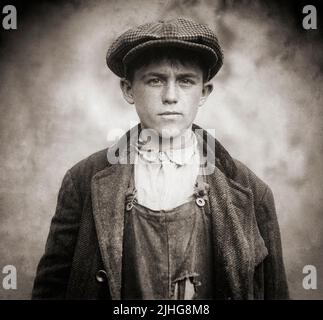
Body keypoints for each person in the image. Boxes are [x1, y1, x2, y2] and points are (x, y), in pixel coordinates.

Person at [32, 18, 289, 300]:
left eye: (185, 81)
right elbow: (51, 289)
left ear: (204, 92)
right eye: (155, 80)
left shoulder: (252, 191)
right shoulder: (82, 181)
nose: (170, 96)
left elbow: (274, 293)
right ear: (128, 90)